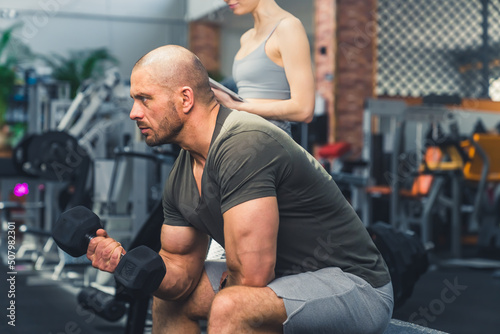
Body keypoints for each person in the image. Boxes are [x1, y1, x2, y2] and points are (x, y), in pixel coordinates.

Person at [87, 45, 393, 334]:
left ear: (185, 99)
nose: (134, 113)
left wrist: (230, 283)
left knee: (233, 306)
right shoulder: (181, 174)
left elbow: (251, 278)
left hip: (354, 286)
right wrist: (124, 263)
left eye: (145, 99)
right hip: (285, 281)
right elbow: (179, 271)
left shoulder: (244, 142)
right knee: (170, 300)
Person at [212, 0, 315, 136]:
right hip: (241, 134)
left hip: (269, 139)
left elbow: (304, 110)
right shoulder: (247, 37)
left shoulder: (288, 27)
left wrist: (237, 106)